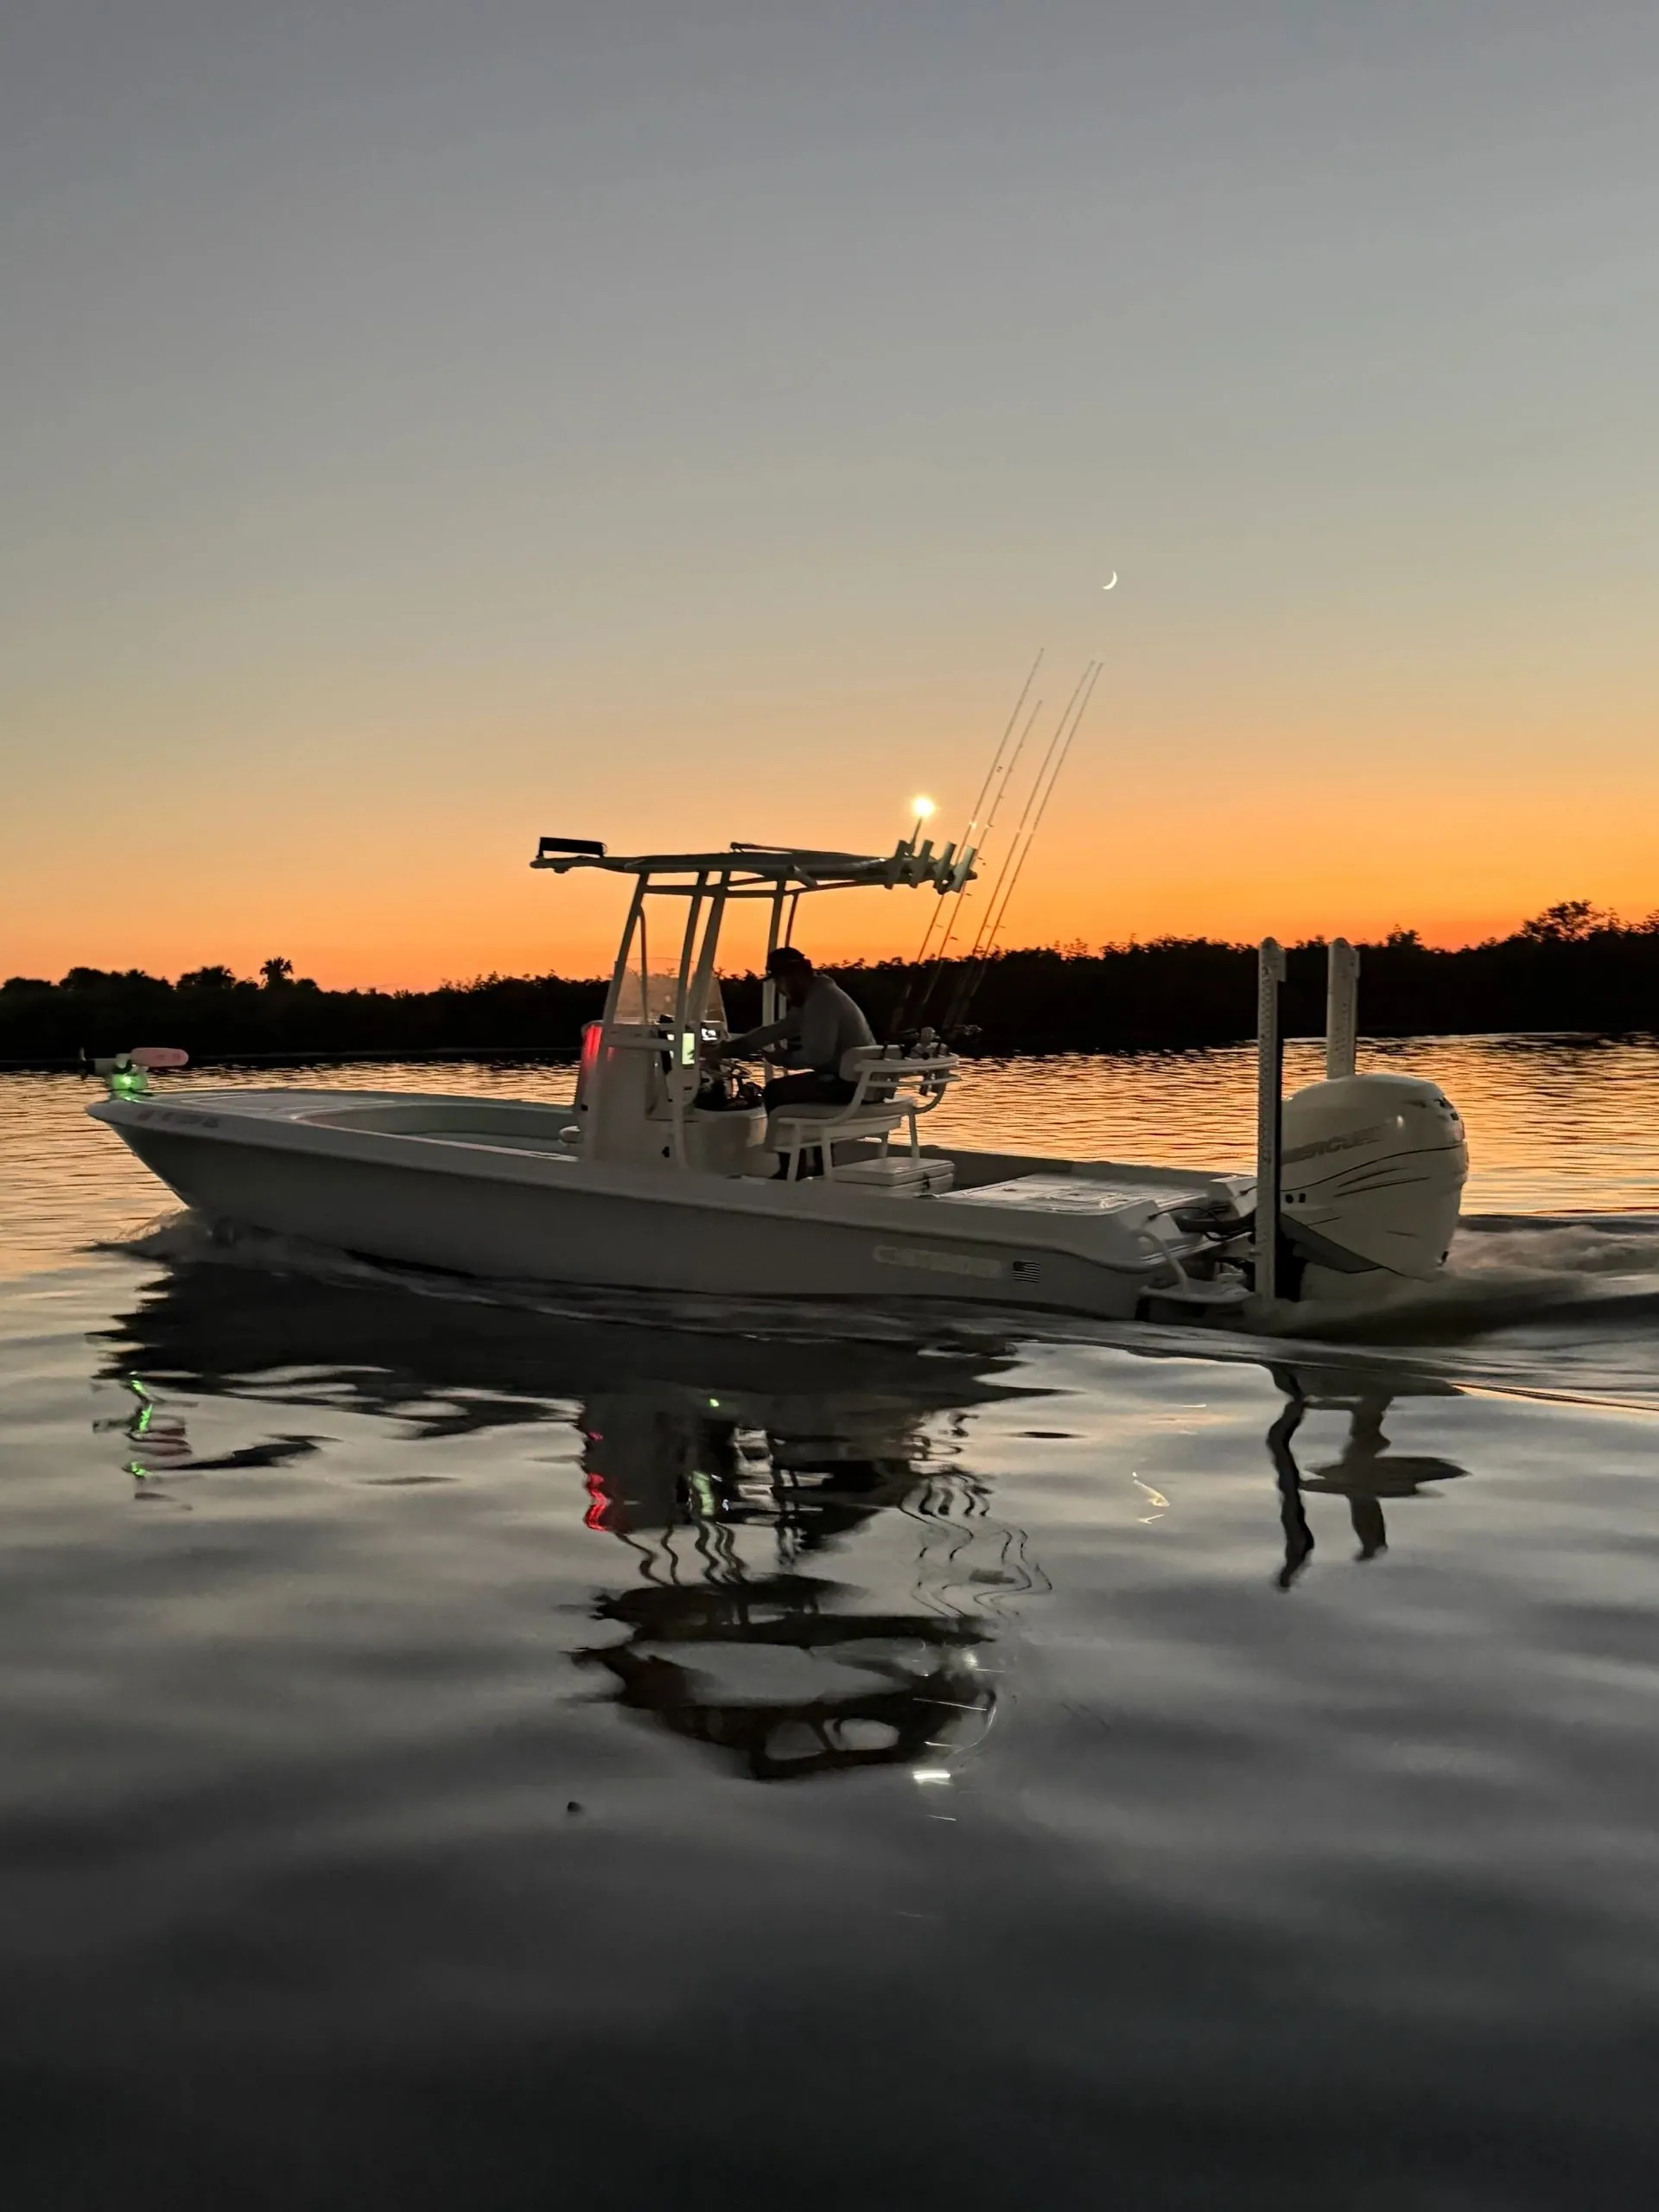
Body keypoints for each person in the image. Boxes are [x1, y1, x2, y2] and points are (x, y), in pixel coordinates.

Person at [725, 946, 874, 1113]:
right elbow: (779, 1029)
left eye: (779, 982)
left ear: (793, 976)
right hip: (864, 1085)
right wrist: (736, 1046)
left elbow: (817, 1055)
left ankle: (780, 1139)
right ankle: (800, 1138)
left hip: (849, 1087)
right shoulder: (819, 995)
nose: (780, 990)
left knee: (775, 1091)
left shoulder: (820, 1002)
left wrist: (784, 1059)